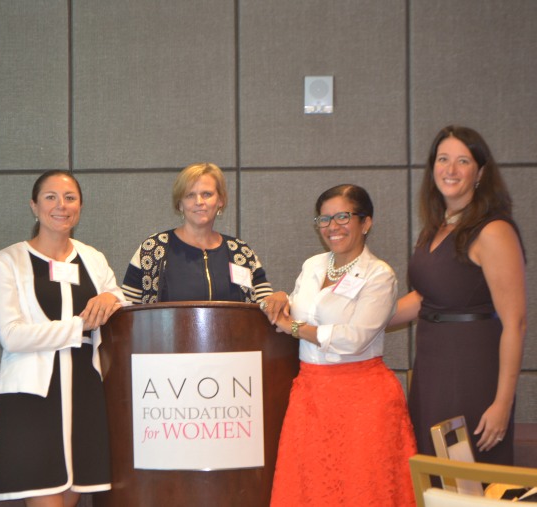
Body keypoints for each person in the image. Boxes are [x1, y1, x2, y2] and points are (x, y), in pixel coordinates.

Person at [267, 184, 416, 506]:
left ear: (366, 222)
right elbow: (298, 308)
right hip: (310, 396)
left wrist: (292, 326)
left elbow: (354, 339)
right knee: (311, 488)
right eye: (324, 219)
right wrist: (282, 299)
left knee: (364, 490)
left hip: (363, 399)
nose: (332, 226)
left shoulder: (379, 275)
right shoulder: (313, 266)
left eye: (342, 216)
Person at [390, 125, 526, 464]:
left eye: (462, 161)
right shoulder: (436, 227)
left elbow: (516, 323)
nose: (450, 170)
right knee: (435, 472)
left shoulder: (494, 230)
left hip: (471, 369)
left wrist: (502, 404)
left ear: (480, 172)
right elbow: (425, 297)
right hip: (432, 367)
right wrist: (358, 319)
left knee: (468, 479)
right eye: (443, 159)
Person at [0, 170, 125, 507]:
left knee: (71, 498)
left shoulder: (93, 258)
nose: (60, 205)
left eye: (69, 198)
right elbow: (11, 336)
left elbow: (119, 303)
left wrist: (113, 299)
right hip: (33, 400)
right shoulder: (8, 261)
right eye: (50, 197)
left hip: (86, 395)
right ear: (34, 206)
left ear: (80, 206)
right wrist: (78, 327)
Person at [121, 162, 287, 317]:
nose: (199, 202)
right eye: (190, 195)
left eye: (207, 194)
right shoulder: (152, 250)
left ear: (220, 201)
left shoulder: (241, 253)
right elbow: (125, 312)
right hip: (166, 346)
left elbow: (267, 306)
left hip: (234, 347)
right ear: (180, 204)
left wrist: (278, 298)